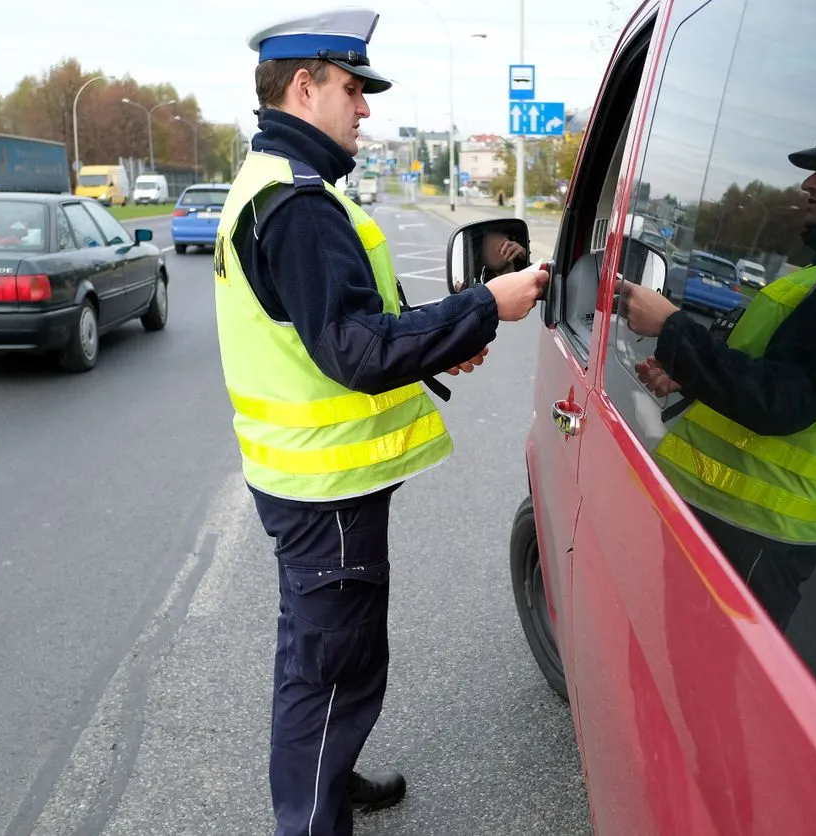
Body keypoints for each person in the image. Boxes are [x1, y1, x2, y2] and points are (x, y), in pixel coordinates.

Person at [214, 9, 549, 835]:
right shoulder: (296, 205)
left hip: (306, 480)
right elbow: (354, 350)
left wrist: (439, 342)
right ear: (305, 86)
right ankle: (312, 818)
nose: (364, 108)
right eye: (353, 89)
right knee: (333, 670)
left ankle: (326, 780)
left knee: (317, 658)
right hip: (324, 487)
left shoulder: (278, 186)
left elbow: (341, 328)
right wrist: (484, 304)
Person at [620, 97, 816, 630]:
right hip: (731, 521)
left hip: (754, 531)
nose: (808, 184)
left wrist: (675, 327)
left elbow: (783, 403)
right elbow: (786, 380)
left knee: (702, 687)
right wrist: (693, 373)